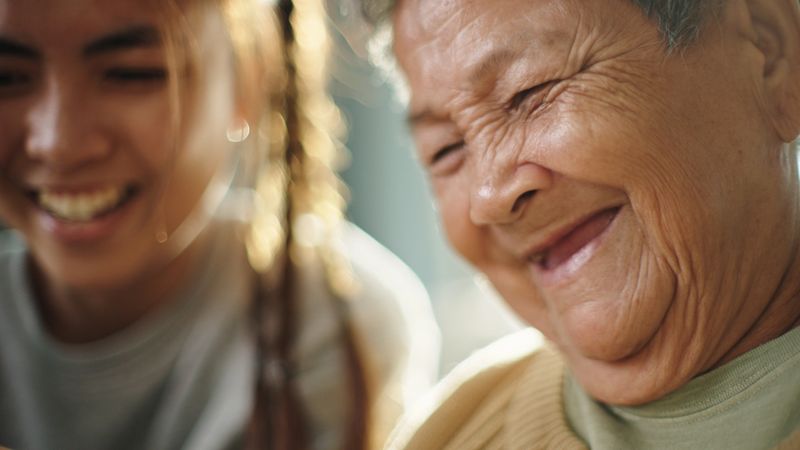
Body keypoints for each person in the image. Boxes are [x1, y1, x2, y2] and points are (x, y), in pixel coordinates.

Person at [352, 0, 800, 448]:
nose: (488, 198)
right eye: (446, 150)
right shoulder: (444, 434)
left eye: (531, 90)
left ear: (770, 52)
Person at [0, 0, 440, 449]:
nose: (59, 143)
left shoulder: (332, 322)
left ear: (248, 76)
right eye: (7, 78)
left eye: (131, 73)